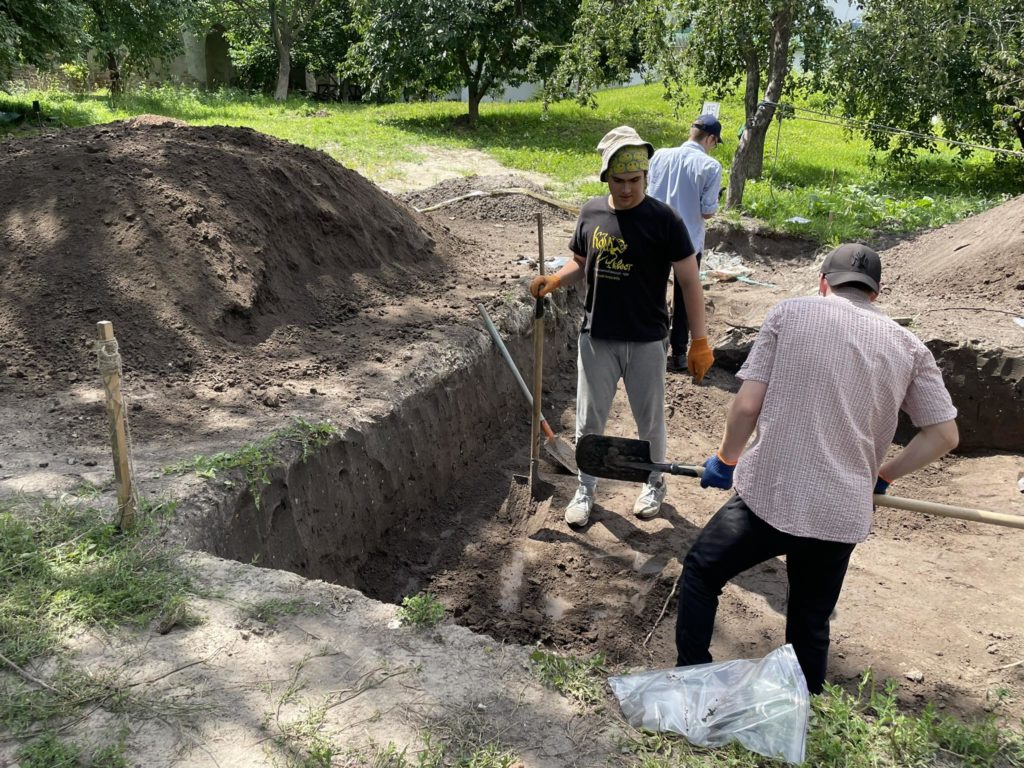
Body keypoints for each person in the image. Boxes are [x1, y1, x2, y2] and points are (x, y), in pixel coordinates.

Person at [675, 243, 959, 694]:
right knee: (809, 619)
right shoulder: (909, 346)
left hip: (771, 493)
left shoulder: (790, 314)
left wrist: (726, 460)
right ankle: (804, 708)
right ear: (876, 293)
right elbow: (944, 435)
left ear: (823, 283)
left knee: (702, 572)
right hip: (840, 511)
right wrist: (882, 476)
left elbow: (747, 405)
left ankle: (691, 677)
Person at [530, 126, 714, 527]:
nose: (627, 188)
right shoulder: (592, 213)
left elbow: (688, 281)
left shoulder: (664, 220)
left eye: (635, 180)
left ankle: (654, 481)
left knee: (649, 421)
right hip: (598, 336)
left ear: (646, 177)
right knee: (589, 421)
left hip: (647, 339)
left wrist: (699, 339)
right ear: (605, 177)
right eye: (619, 180)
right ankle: (586, 487)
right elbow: (581, 262)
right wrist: (556, 279)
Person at [647, 114, 724, 372]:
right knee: (685, 296)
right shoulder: (710, 166)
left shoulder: (659, 155)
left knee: (653, 292)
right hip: (687, 241)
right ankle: (679, 354)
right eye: (715, 142)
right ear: (711, 138)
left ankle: (650, 349)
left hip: (654, 235)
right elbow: (707, 212)